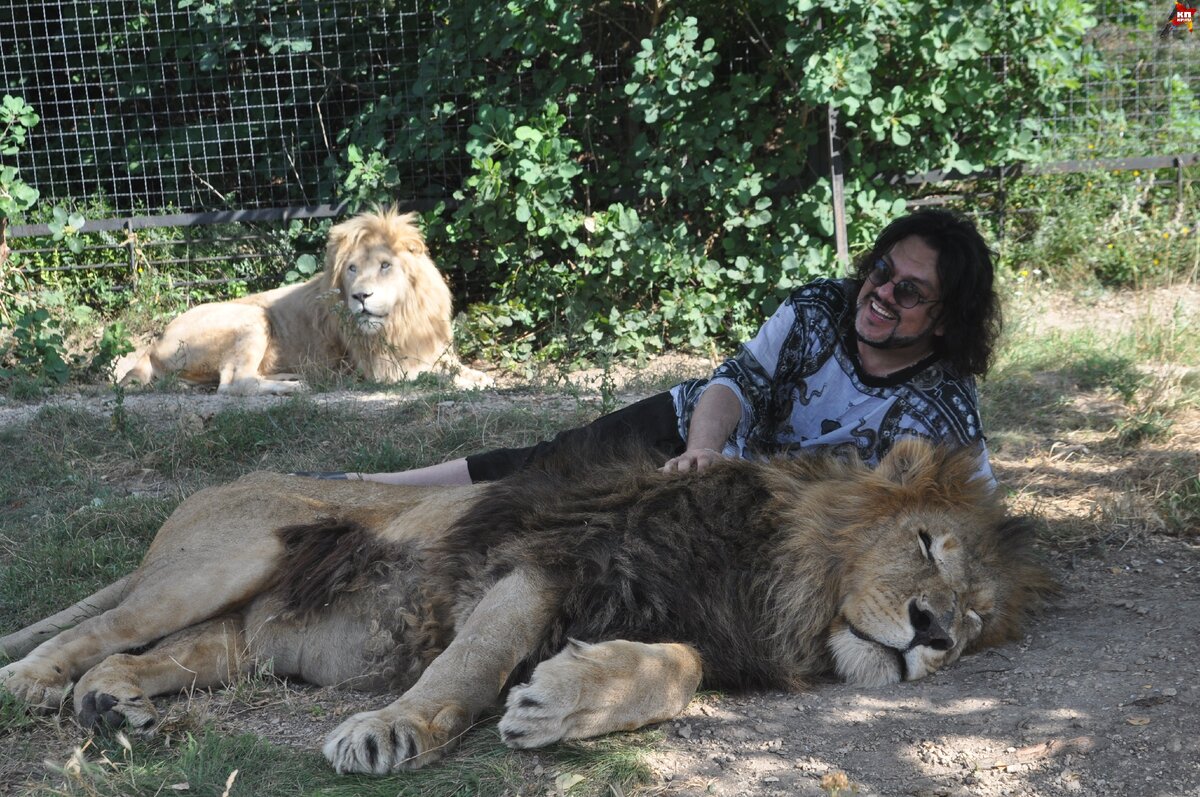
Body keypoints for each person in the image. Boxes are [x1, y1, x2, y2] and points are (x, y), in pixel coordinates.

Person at [299, 207, 1000, 486]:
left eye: (910, 292)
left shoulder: (943, 411)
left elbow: (977, 507)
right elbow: (735, 381)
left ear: (944, 321)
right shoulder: (818, 307)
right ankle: (382, 487)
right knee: (553, 463)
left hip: (773, 503)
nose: (881, 293)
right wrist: (701, 447)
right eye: (881, 269)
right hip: (701, 426)